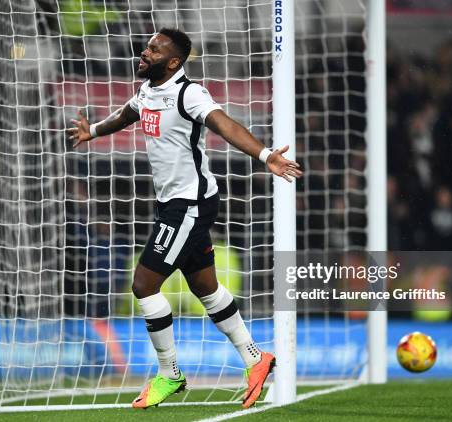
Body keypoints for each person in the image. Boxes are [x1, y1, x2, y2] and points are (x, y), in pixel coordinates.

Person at [68, 27, 302, 409]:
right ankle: (256, 359)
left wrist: (264, 156)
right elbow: (129, 112)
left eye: (154, 50)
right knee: (206, 287)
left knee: (144, 284)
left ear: (173, 62)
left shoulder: (187, 93)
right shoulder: (147, 91)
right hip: (175, 203)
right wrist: (93, 131)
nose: (144, 53)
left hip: (189, 203)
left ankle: (170, 374)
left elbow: (224, 124)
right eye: (146, 46)